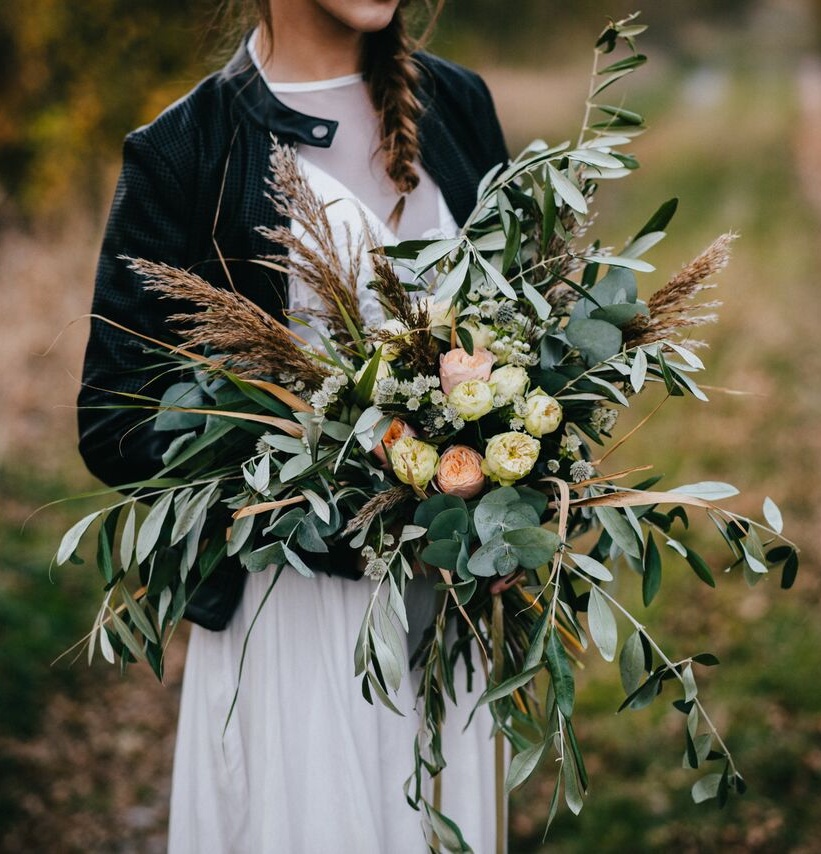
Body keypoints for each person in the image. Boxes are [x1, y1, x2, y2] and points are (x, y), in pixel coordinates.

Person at [77, 0, 509, 850]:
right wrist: (336, 508)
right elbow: (116, 415)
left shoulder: (458, 104)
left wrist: (522, 498)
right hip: (300, 613)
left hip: (452, 608)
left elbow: (526, 325)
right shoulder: (189, 148)